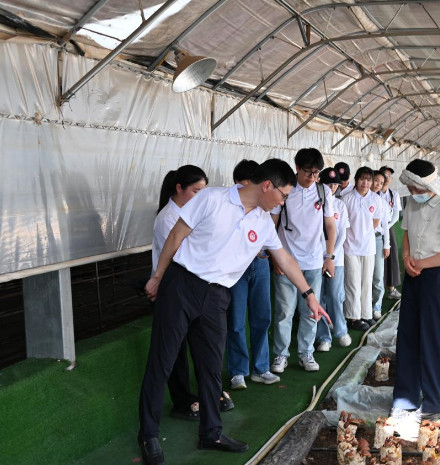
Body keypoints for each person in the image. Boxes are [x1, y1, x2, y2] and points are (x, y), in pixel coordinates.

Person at [139, 159, 331, 465]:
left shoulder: (263, 221)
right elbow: (175, 236)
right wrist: (158, 277)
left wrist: (309, 295)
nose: (283, 201)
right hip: (182, 284)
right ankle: (148, 434)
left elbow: (285, 259)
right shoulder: (213, 198)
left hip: (217, 296)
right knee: (162, 362)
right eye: (283, 195)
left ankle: (211, 433)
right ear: (267, 186)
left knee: (211, 366)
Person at [153, 166, 236, 421]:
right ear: (179, 189)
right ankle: (182, 402)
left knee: (201, 347)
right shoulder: (169, 218)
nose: (200, 196)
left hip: (197, 290)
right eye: (195, 191)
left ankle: (210, 394)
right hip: (175, 288)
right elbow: (185, 255)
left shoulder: (191, 213)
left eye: (203, 191)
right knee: (175, 352)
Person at [389, 159, 440, 442]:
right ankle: (405, 398)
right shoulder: (413, 204)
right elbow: (406, 235)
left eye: (413, 186)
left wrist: (423, 264)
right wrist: (407, 259)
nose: (410, 190)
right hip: (415, 274)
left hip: (436, 277)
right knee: (407, 336)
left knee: (433, 339)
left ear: (425, 185)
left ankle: (436, 401)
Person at [270, 148, 337, 373]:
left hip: (314, 260)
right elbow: (273, 221)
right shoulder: (285, 189)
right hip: (286, 259)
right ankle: (281, 354)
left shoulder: (323, 191)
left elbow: (330, 225)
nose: (312, 178)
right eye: (308, 172)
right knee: (284, 311)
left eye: (316, 173)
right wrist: (274, 257)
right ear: (297, 167)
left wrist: (329, 257)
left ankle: (306, 352)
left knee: (312, 311)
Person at [226, 160, 280, 390]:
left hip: (260, 263)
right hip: (235, 268)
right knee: (236, 320)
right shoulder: (226, 206)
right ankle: (238, 371)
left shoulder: (263, 212)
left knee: (262, 317)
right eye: (241, 186)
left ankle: (261, 368)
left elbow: (275, 245)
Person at [314, 167, 352, 351]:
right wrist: (320, 256)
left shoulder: (340, 205)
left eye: (335, 184)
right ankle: (323, 337)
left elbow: (342, 233)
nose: (332, 188)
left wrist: (331, 255)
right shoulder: (313, 204)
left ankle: (341, 330)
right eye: (328, 185)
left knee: (335, 296)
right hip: (314, 260)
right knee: (318, 298)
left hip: (335, 260)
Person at [341, 166, 383, 331]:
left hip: (368, 247)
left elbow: (376, 221)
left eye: (368, 180)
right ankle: (353, 317)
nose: (365, 183)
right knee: (353, 283)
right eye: (362, 179)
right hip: (350, 247)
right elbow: (343, 225)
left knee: (367, 282)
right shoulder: (346, 198)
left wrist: (365, 234)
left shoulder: (376, 199)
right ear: (356, 180)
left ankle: (366, 314)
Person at [379, 166, 403, 300]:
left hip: (389, 227)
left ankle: (391, 288)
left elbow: (395, 215)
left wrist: (386, 227)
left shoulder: (393, 194)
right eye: (385, 175)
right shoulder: (374, 193)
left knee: (391, 256)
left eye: (389, 176)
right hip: (375, 229)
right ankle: (378, 289)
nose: (387, 178)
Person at [370, 170, 391, 320]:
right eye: (376, 181)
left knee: (378, 275)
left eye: (381, 183)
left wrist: (386, 244)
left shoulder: (381, 201)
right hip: (359, 240)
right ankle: (362, 308)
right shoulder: (357, 197)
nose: (378, 184)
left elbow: (385, 224)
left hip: (377, 239)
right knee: (362, 277)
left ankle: (376, 307)